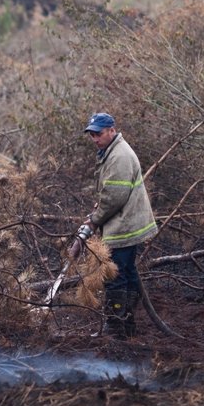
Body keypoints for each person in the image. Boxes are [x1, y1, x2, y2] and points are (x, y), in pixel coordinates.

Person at [83, 112, 158, 337]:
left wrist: (95, 220)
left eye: (99, 134)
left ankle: (116, 327)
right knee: (126, 271)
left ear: (112, 131)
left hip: (124, 226)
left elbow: (114, 197)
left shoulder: (119, 155)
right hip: (124, 222)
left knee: (114, 275)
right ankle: (127, 324)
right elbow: (112, 191)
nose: (95, 138)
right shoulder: (111, 152)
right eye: (92, 135)